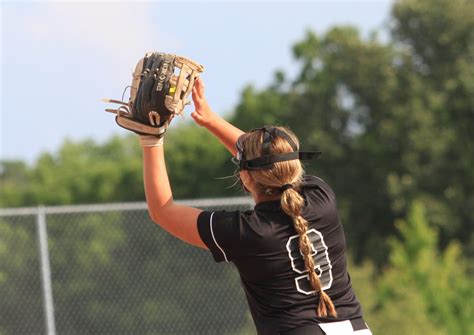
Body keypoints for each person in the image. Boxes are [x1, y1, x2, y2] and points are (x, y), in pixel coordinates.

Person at [140, 77, 372, 335]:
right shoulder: (321, 198)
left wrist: (152, 139)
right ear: (295, 166)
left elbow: (162, 210)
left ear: (245, 177)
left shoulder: (247, 232)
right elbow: (267, 163)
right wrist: (210, 118)